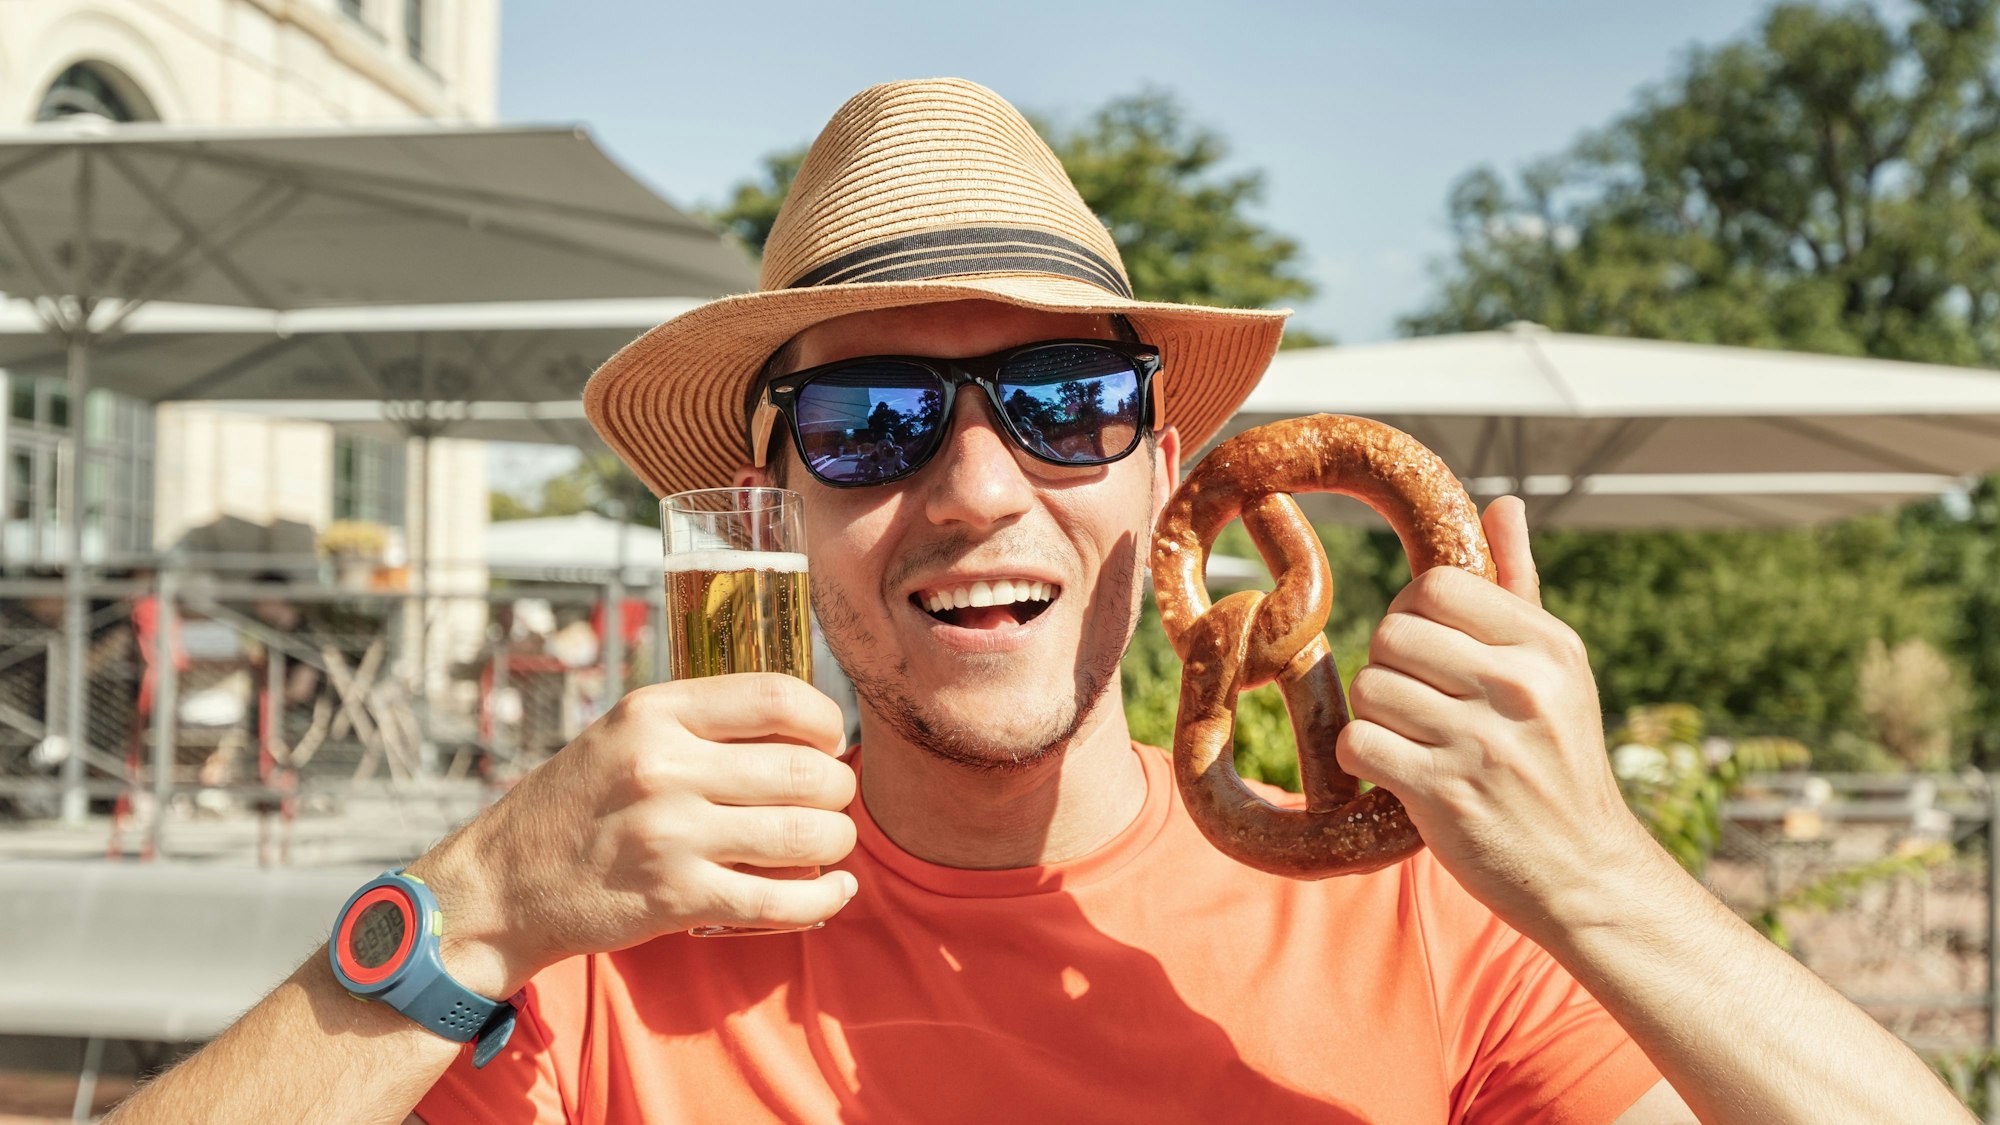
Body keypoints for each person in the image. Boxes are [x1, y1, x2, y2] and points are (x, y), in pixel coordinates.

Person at [104, 79, 1969, 1125]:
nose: (977, 486)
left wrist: (1601, 872)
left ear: (1173, 475)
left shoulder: (1428, 928)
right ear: (777, 509)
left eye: (1068, 406)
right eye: (871, 420)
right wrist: (476, 896)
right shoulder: (605, 963)